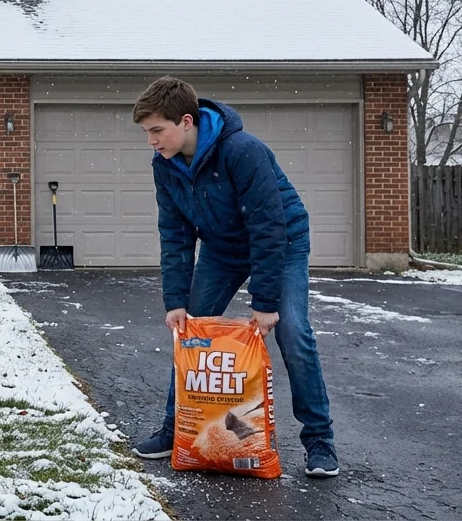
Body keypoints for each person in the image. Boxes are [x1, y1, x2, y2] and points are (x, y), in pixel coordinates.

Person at [129, 77, 339, 478]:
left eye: (157, 130)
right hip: (222, 248)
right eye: (147, 133)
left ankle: (319, 441)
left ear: (186, 121)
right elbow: (174, 235)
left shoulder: (243, 151)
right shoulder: (166, 167)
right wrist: (175, 301)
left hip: (282, 240)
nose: (152, 141)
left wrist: (264, 303)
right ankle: (176, 431)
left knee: (292, 332)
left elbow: (268, 228)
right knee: (190, 331)